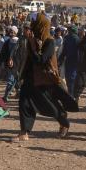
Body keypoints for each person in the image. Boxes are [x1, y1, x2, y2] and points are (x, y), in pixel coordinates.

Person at [15, 13, 73, 141]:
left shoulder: (49, 42)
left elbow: (40, 61)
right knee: (24, 103)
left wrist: (32, 45)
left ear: (41, 26)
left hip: (43, 80)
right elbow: (29, 61)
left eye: (36, 24)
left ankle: (64, 122)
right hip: (31, 79)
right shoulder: (34, 40)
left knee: (49, 105)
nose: (32, 26)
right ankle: (24, 132)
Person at [0, 25, 20, 100]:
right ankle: (16, 93)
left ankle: (5, 96)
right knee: (13, 79)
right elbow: (3, 53)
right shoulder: (7, 41)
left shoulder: (18, 41)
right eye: (11, 31)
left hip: (16, 63)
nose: (11, 32)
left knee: (13, 79)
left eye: (13, 31)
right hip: (9, 63)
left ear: (16, 32)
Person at [58, 25, 80, 97]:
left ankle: (71, 95)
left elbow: (64, 52)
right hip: (73, 62)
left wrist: (59, 61)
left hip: (71, 62)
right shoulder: (76, 38)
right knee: (70, 80)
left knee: (70, 79)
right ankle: (71, 95)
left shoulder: (71, 38)